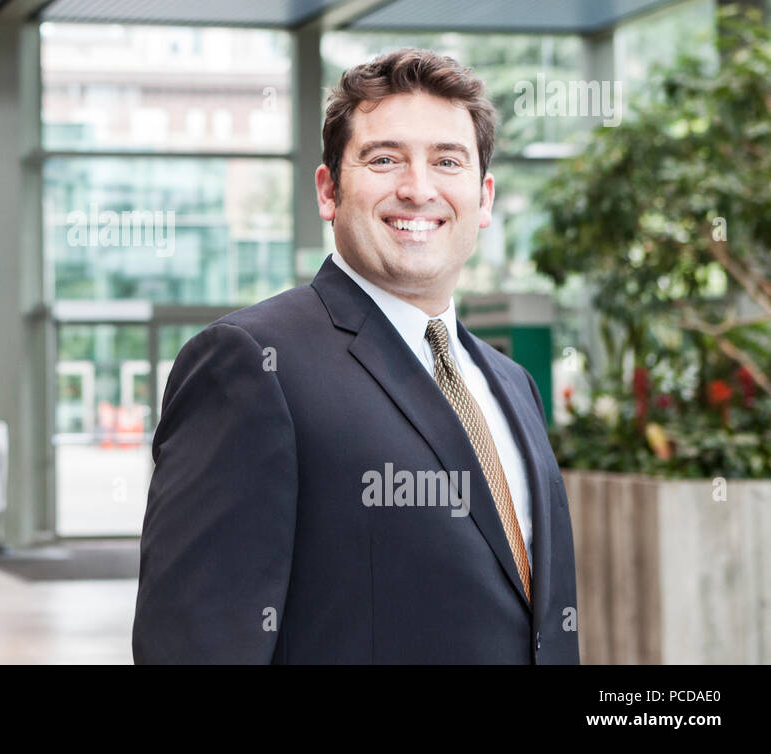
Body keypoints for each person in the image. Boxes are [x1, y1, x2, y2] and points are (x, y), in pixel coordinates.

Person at [133, 48, 579, 664]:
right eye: (384, 158)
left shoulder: (511, 383)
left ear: (484, 197)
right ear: (328, 190)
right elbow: (194, 641)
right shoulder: (254, 364)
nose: (417, 188)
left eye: (447, 161)